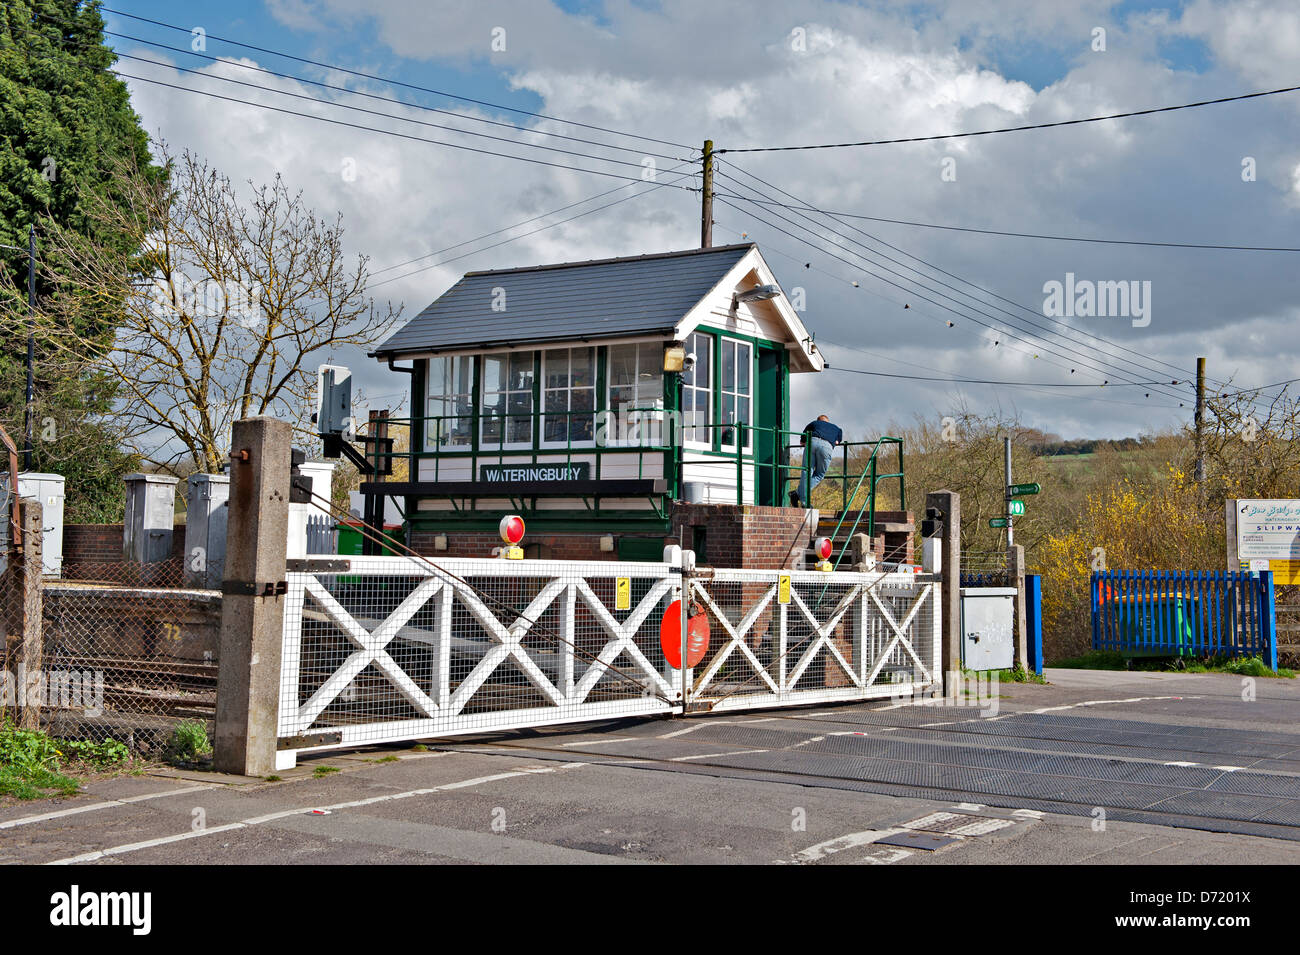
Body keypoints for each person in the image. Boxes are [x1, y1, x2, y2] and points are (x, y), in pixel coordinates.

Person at [791, 414, 842, 507]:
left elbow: (802, 440)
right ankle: (797, 494)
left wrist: (804, 442)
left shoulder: (814, 423)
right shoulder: (837, 429)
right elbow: (837, 442)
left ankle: (802, 499)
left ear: (818, 421)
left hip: (811, 442)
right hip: (826, 446)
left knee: (807, 471)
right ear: (828, 421)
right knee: (819, 474)